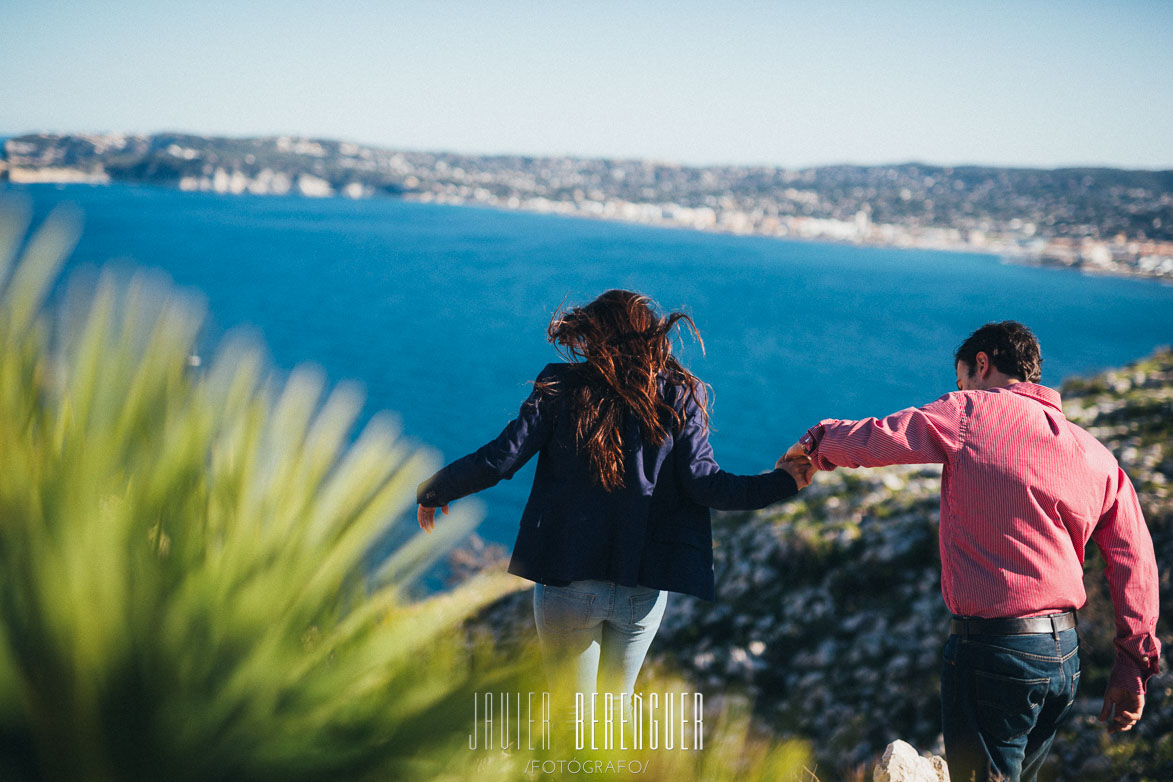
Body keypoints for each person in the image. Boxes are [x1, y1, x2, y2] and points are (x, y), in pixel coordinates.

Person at [417, 290, 812, 731]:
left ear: (597, 334)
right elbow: (708, 486)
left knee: (570, 721)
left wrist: (435, 490)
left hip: (568, 582)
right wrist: (783, 481)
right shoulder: (681, 394)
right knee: (610, 719)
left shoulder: (560, 386)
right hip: (641, 592)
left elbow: (500, 458)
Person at [783, 321, 1160, 782]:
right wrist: (1133, 666)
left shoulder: (969, 411)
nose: (958, 389)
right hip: (1064, 658)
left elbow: (884, 436)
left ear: (982, 365)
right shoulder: (1094, 453)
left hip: (993, 652)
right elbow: (1134, 559)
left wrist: (815, 444)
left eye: (960, 378)